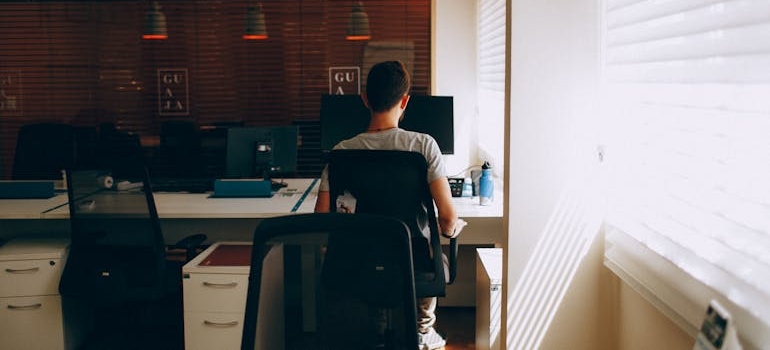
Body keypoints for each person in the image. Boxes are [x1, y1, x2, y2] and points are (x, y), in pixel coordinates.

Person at [314, 60, 466, 350]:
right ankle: (422, 331)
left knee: (372, 259)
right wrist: (451, 226)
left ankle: (377, 329)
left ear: (365, 99)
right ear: (405, 100)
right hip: (413, 263)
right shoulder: (424, 146)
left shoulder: (341, 152)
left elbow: (322, 220)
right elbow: (447, 219)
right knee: (424, 249)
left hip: (357, 264)